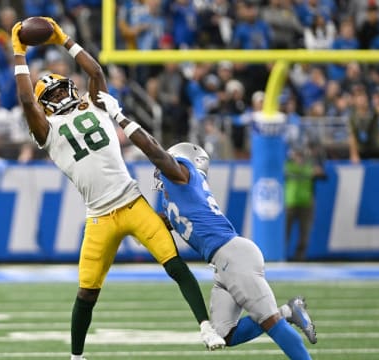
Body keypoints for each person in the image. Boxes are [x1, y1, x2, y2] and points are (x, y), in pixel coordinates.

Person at [10, 18, 225, 360]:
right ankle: (76, 357)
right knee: (86, 294)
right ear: (44, 105)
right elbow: (25, 99)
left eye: (59, 87)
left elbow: (94, 70)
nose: (58, 94)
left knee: (176, 266)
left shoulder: (95, 103)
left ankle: (206, 327)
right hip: (99, 217)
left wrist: (65, 39)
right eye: (49, 93)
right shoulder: (46, 132)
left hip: (131, 199)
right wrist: (20, 50)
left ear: (70, 85)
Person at [96, 90, 317, 359]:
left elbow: (152, 150)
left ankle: (289, 325)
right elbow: (155, 224)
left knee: (272, 324)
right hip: (223, 264)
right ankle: (288, 310)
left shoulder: (182, 174)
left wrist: (119, 116)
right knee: (225, 334)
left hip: (233, 257)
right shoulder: (174, 199)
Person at [284, 146, 326, 261]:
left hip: (306, 202)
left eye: (300, 154)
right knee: (284, 233)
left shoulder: (310, 165)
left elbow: (323, 175)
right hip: (290, 202)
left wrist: (318, 171)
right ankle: (281, 257)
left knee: (304, 234)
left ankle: (300, 258)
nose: (298, 157)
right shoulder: (287, 165)